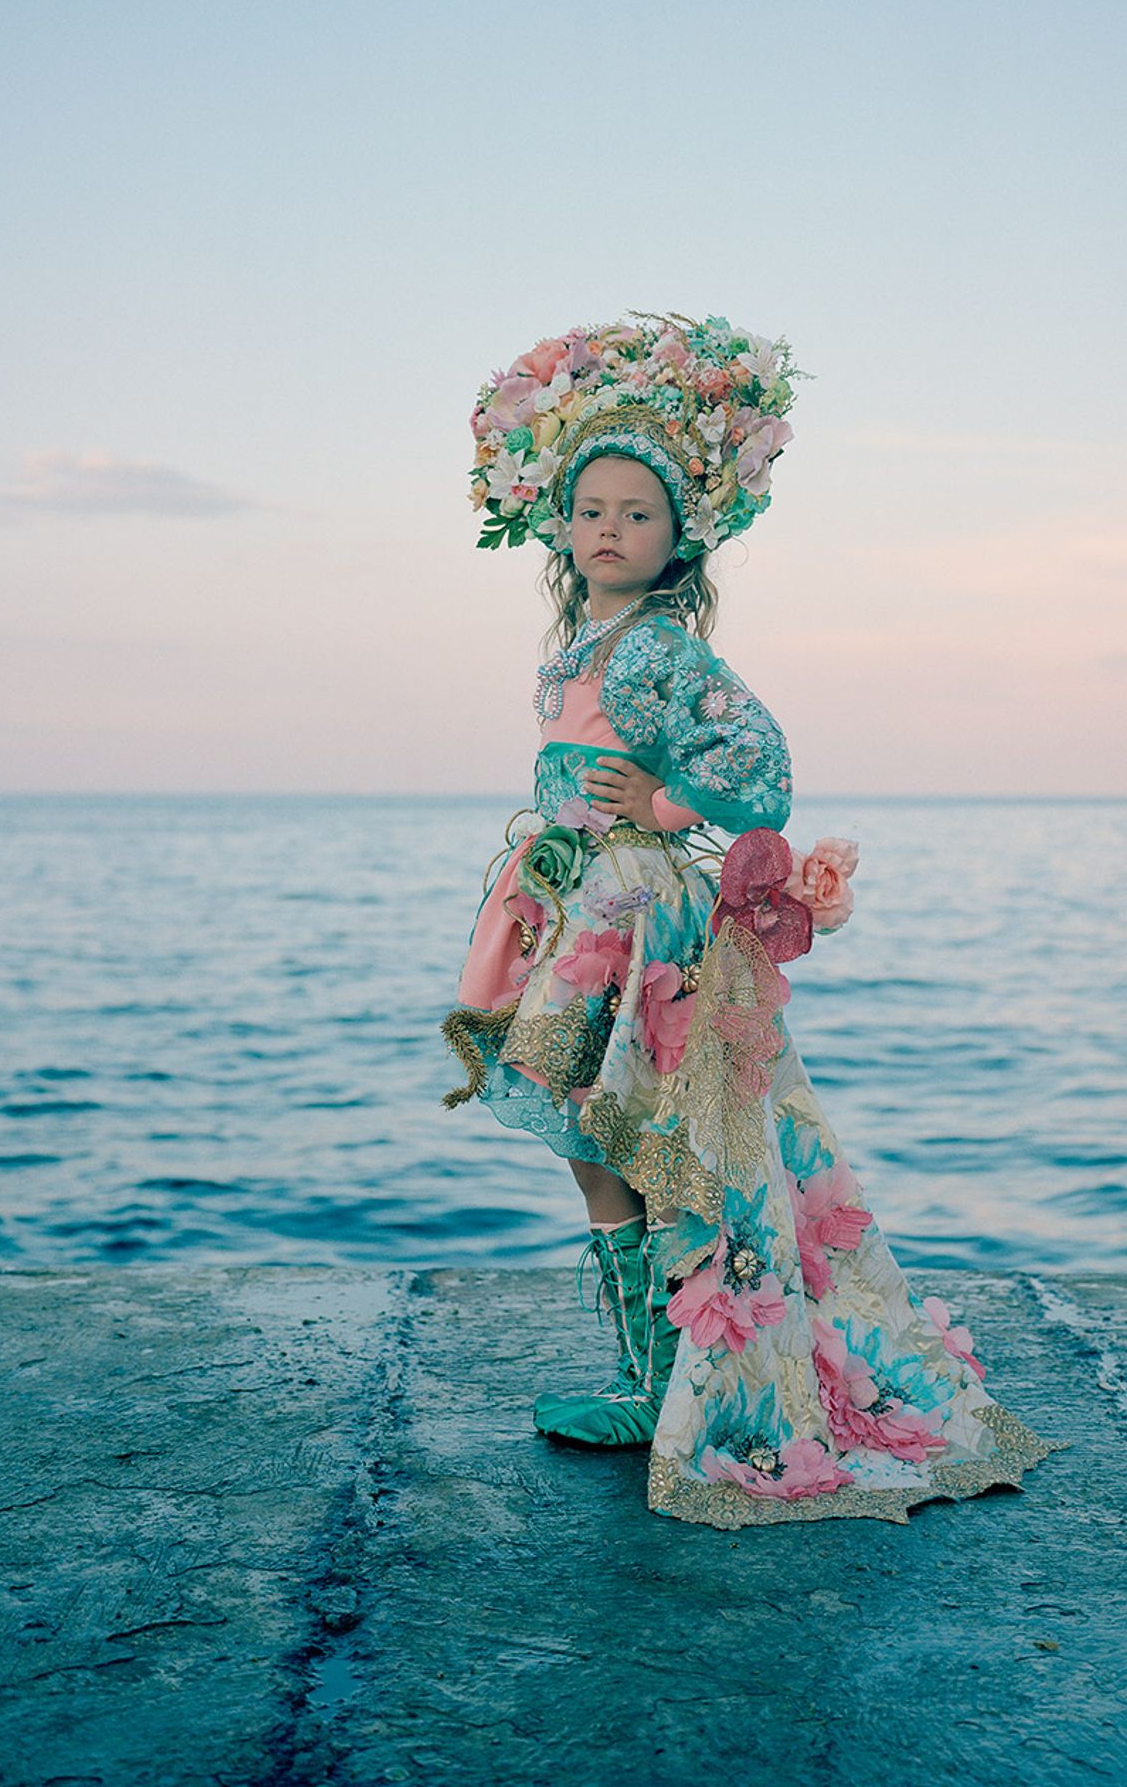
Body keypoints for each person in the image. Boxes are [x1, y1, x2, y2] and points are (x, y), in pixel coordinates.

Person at [441, 310, 1070, 1528]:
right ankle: (644, 1370)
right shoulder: (583, 641)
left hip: (635, 904)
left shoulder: (661, 646)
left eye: (635, 512)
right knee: (590, 1125)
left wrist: (667, 797)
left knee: (641, 1127)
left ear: (678, 537)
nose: (608, 529)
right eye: (590, 510)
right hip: (574, 897)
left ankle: (671, 1378)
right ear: (559, 527)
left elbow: (763, 770)